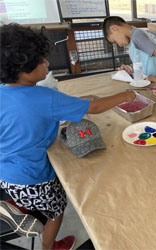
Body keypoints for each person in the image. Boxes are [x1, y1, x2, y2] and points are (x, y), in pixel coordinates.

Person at [0, 23, 135, 250]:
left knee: (35, 198)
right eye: (42, 61)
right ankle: (49, 246)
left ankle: (18, 206)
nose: (48, 64)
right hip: (34, 178)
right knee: (57, 209)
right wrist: (126, 94)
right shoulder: (44, 97)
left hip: (5, 175)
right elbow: (95, 106)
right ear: (24, 69)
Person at [103, 16, 156, 83]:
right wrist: (129, 68)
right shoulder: (132, 40)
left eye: (115, 41)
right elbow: (143, 61)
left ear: (114, 29)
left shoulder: (137, 36)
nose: (119, 45)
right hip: (148, 81)